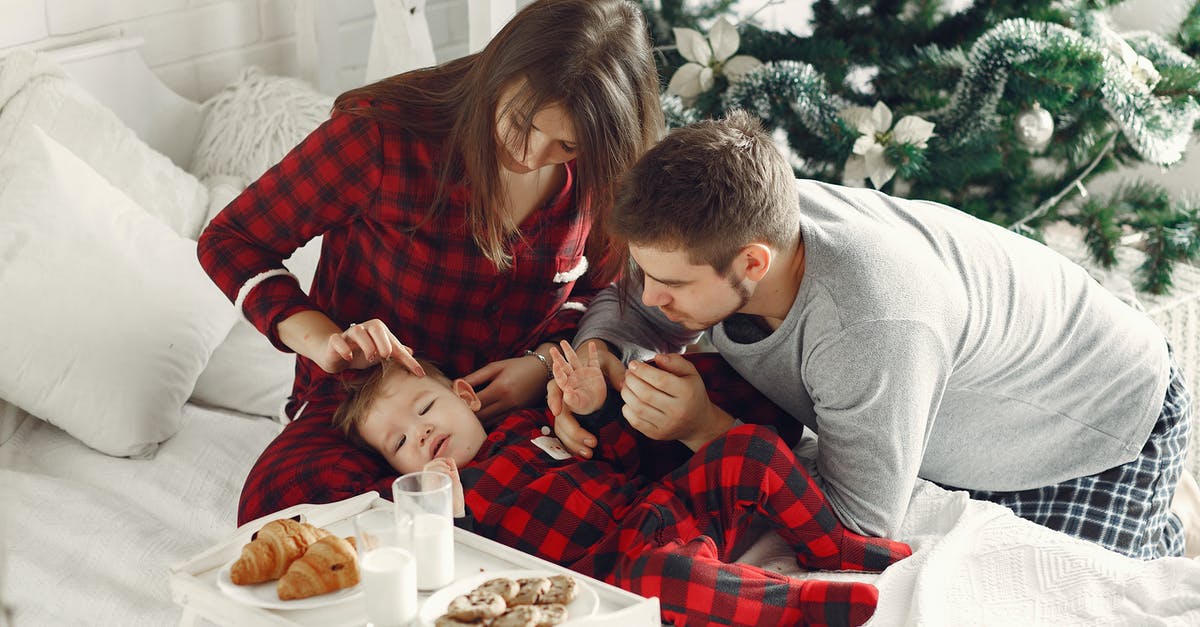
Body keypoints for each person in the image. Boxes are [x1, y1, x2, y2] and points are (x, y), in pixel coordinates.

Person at [554, 110, 1191, 560]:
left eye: (672, 285)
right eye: (646, 272)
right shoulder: (737, 219)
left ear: (753, 263)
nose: (650, 296)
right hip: (1000, 357)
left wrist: (703, 429)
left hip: (1107, 416)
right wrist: (599, 348)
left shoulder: (870, 325)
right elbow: (630, 301)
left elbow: (861, 525)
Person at [196, 0, 666, 525]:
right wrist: (323, 340)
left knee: (644, 443)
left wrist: (540, 365)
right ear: (499, 70)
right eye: (521, 122)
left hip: (516, 409)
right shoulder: (382, 139)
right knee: (281, 507)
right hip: (365, 404)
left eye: (566, 144)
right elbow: (230, 240)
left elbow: (598, 294)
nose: (532, 155)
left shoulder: (600, 176)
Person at [332, 344, 912, 627]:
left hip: (663, 505)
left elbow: (622, 458)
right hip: (613, 564)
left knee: (752, 447)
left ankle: (830, 545)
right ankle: (794, 604)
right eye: (400, 442)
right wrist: (448, 515)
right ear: (398, 473)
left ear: (463, 394)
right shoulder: (442, 504)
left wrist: (597, 408)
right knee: (661, 580)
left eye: (425, 408)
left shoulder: (529, 423)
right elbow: (474, 577)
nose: (422, 431)